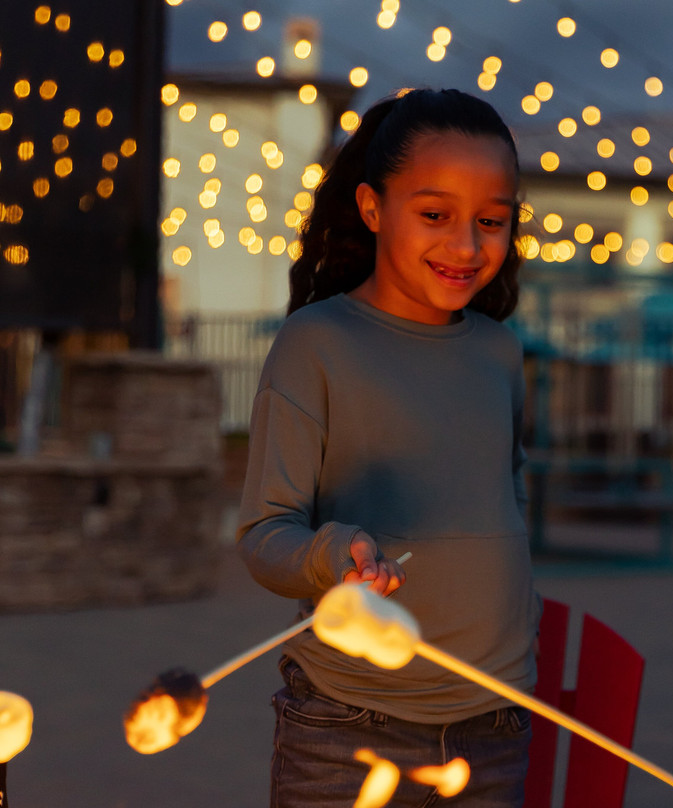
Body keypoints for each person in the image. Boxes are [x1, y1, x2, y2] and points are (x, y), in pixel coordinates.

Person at [236, 88, 541, 807]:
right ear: (373, 208)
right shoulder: (317, 342)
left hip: (494, 722)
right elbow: (263, 534)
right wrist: (334, 552)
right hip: (349, 726)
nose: (466, 246)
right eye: (435, 215)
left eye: (491, 221)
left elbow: (507, 500)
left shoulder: (500, 354)